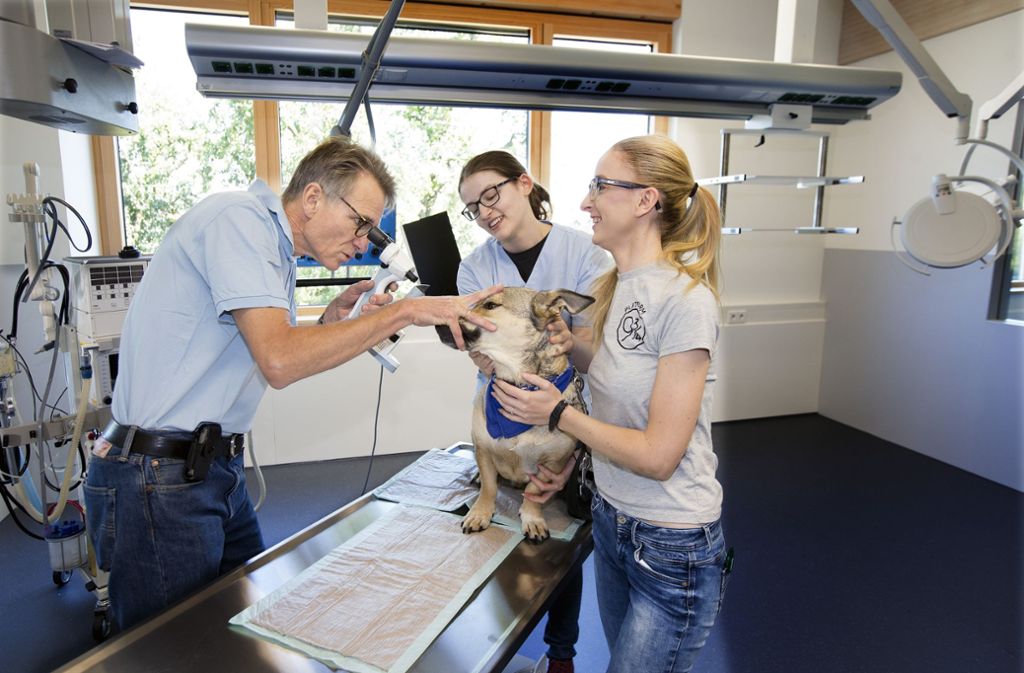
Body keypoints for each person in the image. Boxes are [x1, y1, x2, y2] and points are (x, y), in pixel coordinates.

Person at [84, 137, 501, 632]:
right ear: (312, 199)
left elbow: (258, 351)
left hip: (210, 472)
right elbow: (279, 361)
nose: (365, 241)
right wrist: (407, 312)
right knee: (172, 649)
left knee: (246, 625)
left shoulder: (275, 250)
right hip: (159, 477)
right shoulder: (238, 221)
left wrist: (329, 322)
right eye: (361, 223)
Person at [492, 135, 730, 673]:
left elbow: (659, 455)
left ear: (646, 201)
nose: (585, 202)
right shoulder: (613, 285)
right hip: (613, 519)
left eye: (601, 186)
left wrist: (556, 414)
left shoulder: (687, 301)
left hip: (670, 539)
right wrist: (569, 342)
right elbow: (617, 374)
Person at [457, 151, 610, 673]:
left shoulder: (587, 254)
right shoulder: (475, 266)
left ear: (524, 184)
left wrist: (562, 421)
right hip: (501, 409)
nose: (483, 211)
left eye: (490, 194)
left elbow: (593, 342)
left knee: (559, 541)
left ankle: (562, 653)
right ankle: (497, 646)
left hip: (569, 413)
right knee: (500, 538)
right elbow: (474, 342)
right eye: (472, 207)